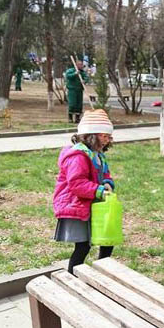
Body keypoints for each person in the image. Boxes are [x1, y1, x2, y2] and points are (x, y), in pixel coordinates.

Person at [52, 109, 116, 274]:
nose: (107, 140)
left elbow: (105, 173)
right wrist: (100, 190)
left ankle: (102, 271)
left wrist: (108, 182)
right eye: (104, 136)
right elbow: (77, 183)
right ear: (91, 135)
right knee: (83, 247)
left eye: (109, 137)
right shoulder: (78, 156)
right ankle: (72, 278)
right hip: (77, 205)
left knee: (108, 240)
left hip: (91, 203)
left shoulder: (97, 154)